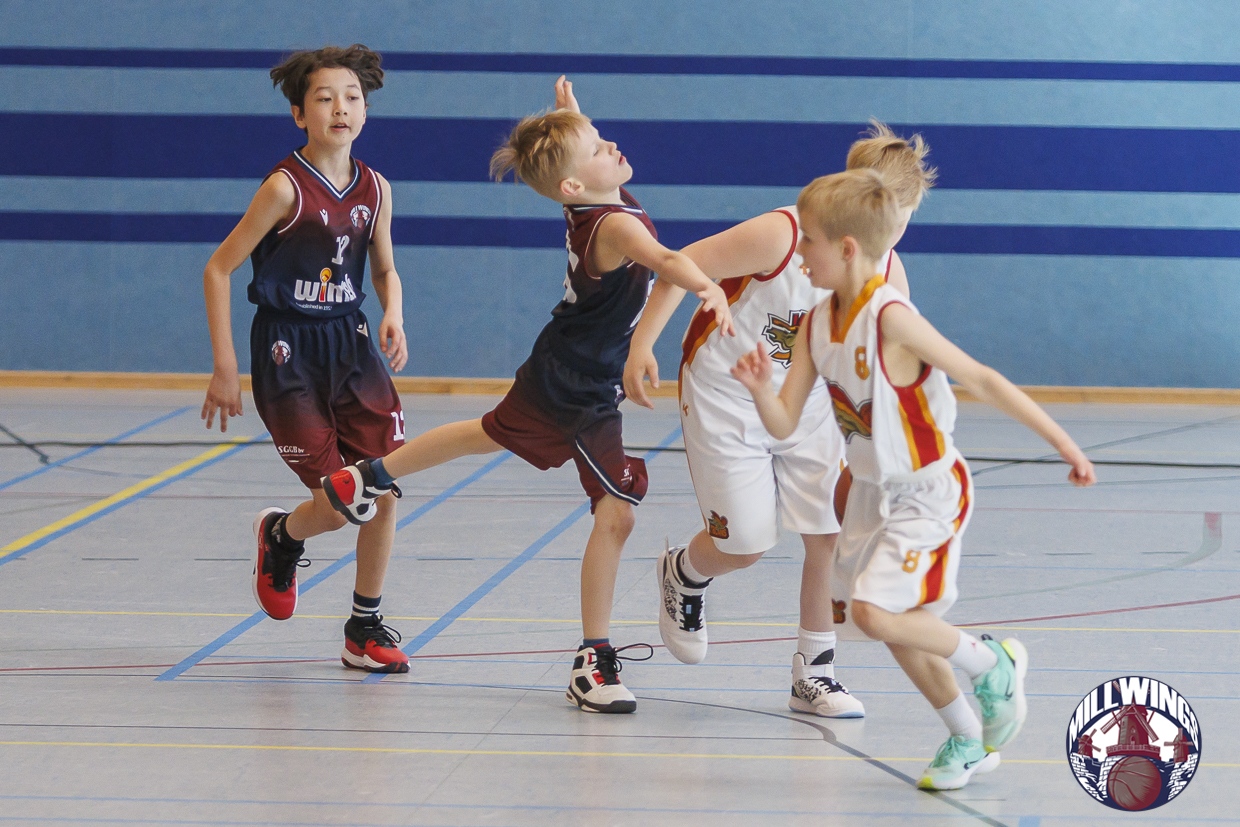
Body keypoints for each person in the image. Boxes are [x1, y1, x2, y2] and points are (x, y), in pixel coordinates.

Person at [320, 77, 736, 713]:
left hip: (562, 365)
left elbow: (583, 174)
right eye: (597, 148)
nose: (611, 146)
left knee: (485, 433)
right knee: (618, 511)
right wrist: (707, 287)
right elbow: (666, 258)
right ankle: (592, 662)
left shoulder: (592, 202)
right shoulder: (614, 226)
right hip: (577, 387)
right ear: (573, 185)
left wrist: (573, 120)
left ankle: (369, 476)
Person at [731, 169, 1096, 790]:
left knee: (877, 613)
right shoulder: (814, 323)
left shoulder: (891, 318)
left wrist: (1064, 443)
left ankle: (992, 661)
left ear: (847, 247)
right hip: (870, 494)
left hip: (927, 491)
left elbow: (981, 378)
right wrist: (763, 388)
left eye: (809, 239)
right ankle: (967, 738)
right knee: (899, 627)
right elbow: (785, 421)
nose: (799, 250)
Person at [622, 123, 933, 718]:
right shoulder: (782, 235)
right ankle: (684, 571)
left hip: (809, 401)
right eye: (896, 217)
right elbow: (683, 265)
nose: (898, 233)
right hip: (727, 390)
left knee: (828, 534)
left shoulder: (888, 273)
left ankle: (814, 674)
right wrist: (642, 345)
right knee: (744, 545)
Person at [200, 45, 412, 674]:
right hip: (287, 351)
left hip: (352, 344)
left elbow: (384, 268)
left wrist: (394, 312)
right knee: (344, 504)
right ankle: (282, 535)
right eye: (324, 98)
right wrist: (225, 365)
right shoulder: (282, 188)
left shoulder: (377, 188)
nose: (340, 108)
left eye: (352, 97)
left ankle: (363, 627)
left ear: (365, 109)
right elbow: (217, 269)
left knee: (383, 488)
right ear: (299, 114)